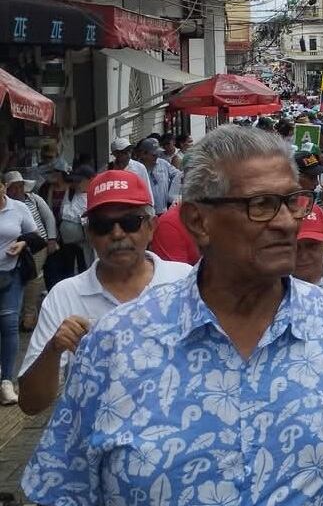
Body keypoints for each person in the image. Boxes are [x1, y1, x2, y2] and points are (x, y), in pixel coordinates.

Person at [21, 125, 323, 506]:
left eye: (292, 201)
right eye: (261, 205)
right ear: (199, 220)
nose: (288, 221)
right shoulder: (116, 346)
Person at [18, 171, 192, 414]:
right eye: (103, 226)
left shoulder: (185, 281)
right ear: (89, 234)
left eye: (131, 222)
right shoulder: (65, 295)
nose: (117, 234)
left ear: (151, 227)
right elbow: (30, 404)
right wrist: (53, 350)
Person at [0, 178, 41, 405]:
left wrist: (22, 244)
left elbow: (34, 236)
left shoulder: (19, 208)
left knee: (8, 324)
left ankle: (7, 380)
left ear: (3, 188)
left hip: (11, 274)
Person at [4, 171, 56, 331]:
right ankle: (17, 313)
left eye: (20, 186)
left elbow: (48, 218)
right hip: (13, 247)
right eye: (14, 187)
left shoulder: (34, 199)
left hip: (37, 245)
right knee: (20, 278)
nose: (18, 190)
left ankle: (29, 316)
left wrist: (52, 239)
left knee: (34, 278)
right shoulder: (6, 206)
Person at [137, 138, 182, 214]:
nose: (157, 157)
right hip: (146, 214)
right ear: (143, 154)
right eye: (154, 155)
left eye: (158, 154)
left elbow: (178, 175)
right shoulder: (136, 168)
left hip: (163, 211)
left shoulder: (163, 164)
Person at [108, 137, 155, 206]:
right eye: (124, 152)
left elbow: (146, 189)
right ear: (116, 154)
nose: (128, 154)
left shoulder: (139, 168)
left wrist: (150, 206)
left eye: (129, 150)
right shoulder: (109, 169)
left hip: (134, 208)